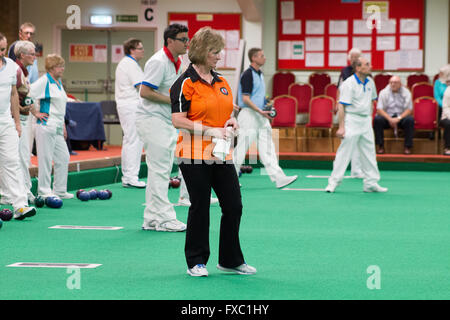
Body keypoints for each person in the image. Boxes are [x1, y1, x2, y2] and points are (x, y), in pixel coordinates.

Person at [171, 27, 256, 277]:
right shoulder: (184, 83)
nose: (219, 57)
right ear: (200, 52)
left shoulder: (221, 81)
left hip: (220, 154)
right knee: (200, 206)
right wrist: (210, 131)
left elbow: (227, 112)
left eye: (219, 52)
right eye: (214, 52)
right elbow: (178, 120)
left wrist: (232, 121)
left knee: (234, 205)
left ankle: (230, 260)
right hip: (193, 154)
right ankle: (196, 261)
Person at [136, 24, 188, 232]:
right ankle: (164, 218)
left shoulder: (178, 60)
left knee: (161, 170)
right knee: (160, 171)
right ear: (170, 41)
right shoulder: (158, 61)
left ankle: (150, 218)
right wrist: (172, 101)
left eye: (187, 39)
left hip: (165, 121)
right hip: (152, 119)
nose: (187, 43)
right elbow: (145, 92)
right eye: (183, 39)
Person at [232, 48, 297, 188]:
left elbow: (257, 96)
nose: (265, 58)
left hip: (260, 115)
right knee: (242, 147)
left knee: (268, 147)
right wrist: (260, 110)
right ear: (254, 58)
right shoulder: (247, 75)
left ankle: (279, 178)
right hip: (249, 114)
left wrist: (267, 102)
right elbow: (245, 98)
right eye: (262, 56)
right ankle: (230, 179)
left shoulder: (260, 74)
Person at [325, 57, 387, 193]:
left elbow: (372, 101)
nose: (370, 66)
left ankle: (371, 183)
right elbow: (341, 106)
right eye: (367, 64)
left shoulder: (370, 82)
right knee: (344, 152)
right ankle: (333, 183)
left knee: (369, 152)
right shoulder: (348, 83)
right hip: (352, 120)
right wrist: (341, 127)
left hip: (365, 121)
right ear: (358, 68)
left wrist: (368, 118)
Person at [0, 33, 37, 219]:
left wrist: (16, 121)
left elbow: (14, 94)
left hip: (5, 120)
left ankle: (20, 205)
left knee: (12, 161)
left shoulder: (11, 67)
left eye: (3, 49)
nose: (1, 52)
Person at [29, 54, 73, 199]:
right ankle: (44, 191)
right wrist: (35, 112)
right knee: (45, 159)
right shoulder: (44, 81)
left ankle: (60, 190)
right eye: (60, 66)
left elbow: (60, 106)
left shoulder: (58, 82)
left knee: (63, 157)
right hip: (45, 125)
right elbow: (27, 94)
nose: (63, 69)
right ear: (52, 68)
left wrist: (63, 126)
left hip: (58, 125)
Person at [14, 40, 48, 203]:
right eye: (32, 54)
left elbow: (27, 97)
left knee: (23, 156)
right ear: (22, 55)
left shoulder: (24, 72)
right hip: (16, 120)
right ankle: (23, 193)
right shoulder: (16, 71)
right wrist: (20, 112)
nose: (35, 57)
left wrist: (34, 112)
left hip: (24, 118)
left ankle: (24, 191)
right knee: (19, 157)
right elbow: (13, 97)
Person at [115, 38, 146, 188]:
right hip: (131, 105)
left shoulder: (127, 63)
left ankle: (128, 176)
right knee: (134, 140)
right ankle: (131, 176)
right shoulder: (130, 64)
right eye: (140, 48)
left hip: (127, 105)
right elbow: (141, 87)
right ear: (132, 50)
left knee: (130, 140)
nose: (143, 50)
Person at [337, 47, 364, 178]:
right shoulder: (345, 71)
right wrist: (338, 104)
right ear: (349, 58)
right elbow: (339, 89)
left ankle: (356, 169)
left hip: (359, 111)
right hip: (347, 110)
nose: (354, 59)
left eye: (357, 57)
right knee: (346, 141)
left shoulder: (365, 71)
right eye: (352, 57)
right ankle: (338, 170)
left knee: (358, 141)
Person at [373, 76, 414, 155]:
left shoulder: (406, 92)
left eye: (395, 83)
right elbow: (379, 109)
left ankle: (407, 147)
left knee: (410, 120)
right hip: (387, 117)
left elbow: (409, 110)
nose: (393, 85)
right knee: (377, 119)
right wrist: (389, 119)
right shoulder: (383, 92)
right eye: (391, 83)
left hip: (401, 117)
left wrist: (399, 118)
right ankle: (380, 146)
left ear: (400, 84)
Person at [439, 71, 450, 156]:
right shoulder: (448, 91)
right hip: (446, 117)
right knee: (449, 124)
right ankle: (448, 148)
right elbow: (445, 108)